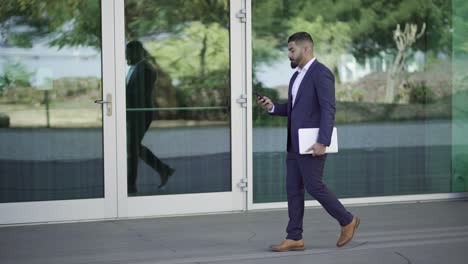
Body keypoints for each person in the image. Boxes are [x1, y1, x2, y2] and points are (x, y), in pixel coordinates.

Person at [256, 32, 360, 251]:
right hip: (294, 144)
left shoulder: (321, 74)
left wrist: (324, 141)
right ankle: (294, 237)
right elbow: (294, 110)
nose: (289, 55)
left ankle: (347, 220)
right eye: (288, 51)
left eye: (292, 50)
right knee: (293, 189)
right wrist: (273, 107)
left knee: (314, 185)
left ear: (306, 49)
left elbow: (328, 109)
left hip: (312, 144)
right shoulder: (296, 77)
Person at [126, 40, 174, 193]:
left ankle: (130, 185)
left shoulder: (146, 69)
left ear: (137, 52)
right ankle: (163, 169)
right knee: (133, 147)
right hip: (134, 113)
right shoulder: (136, 68)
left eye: (128, 54)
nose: (125, 57)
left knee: (132, 148)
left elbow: (138, 95)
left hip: (140, 113)